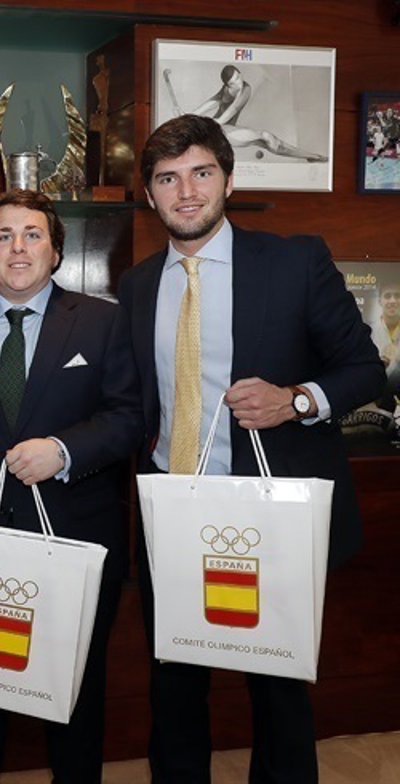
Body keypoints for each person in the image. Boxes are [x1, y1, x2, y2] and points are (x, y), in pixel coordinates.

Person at [117, 114, 385, 782]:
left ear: (228, 181)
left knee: (278, 687)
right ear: (149, 195)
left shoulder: (295, 262)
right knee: (174, 683)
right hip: (173, 507)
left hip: (269, 510)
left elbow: (365, 370)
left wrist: (295, 400)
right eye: (168, 179)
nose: (186, 192)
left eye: (201, 173)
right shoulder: (139, 286)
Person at [0, 190, 141, 783]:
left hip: (75, 537)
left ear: (55, 251)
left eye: (32, 235)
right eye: (3, 236)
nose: (17, 248)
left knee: (74, 701)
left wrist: (63, 451)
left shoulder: (104, 321)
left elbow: (128, 418)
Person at [166, 64, 328, 163]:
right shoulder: (226, 89)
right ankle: (312, 156)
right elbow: (213, 101)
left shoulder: (245, 89)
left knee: (267, 140)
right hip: (221, 132)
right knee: (266, 139)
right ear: (227, 85)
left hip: (222, 129)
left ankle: (311, 156)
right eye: (233, 82)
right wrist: (189, 115)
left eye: (238, 77)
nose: (238, 82)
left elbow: (230, 112)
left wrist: (197, 121)